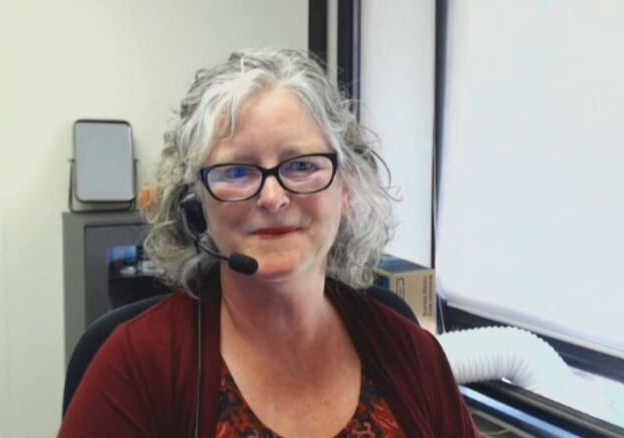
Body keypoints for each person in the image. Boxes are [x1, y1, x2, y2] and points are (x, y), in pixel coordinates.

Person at [60, 49, 479, 437]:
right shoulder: (137, 366)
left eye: (301, 165)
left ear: (347, 189)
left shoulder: (410, 353)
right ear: (196, 205)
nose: (273, 198)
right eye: (237, 172)